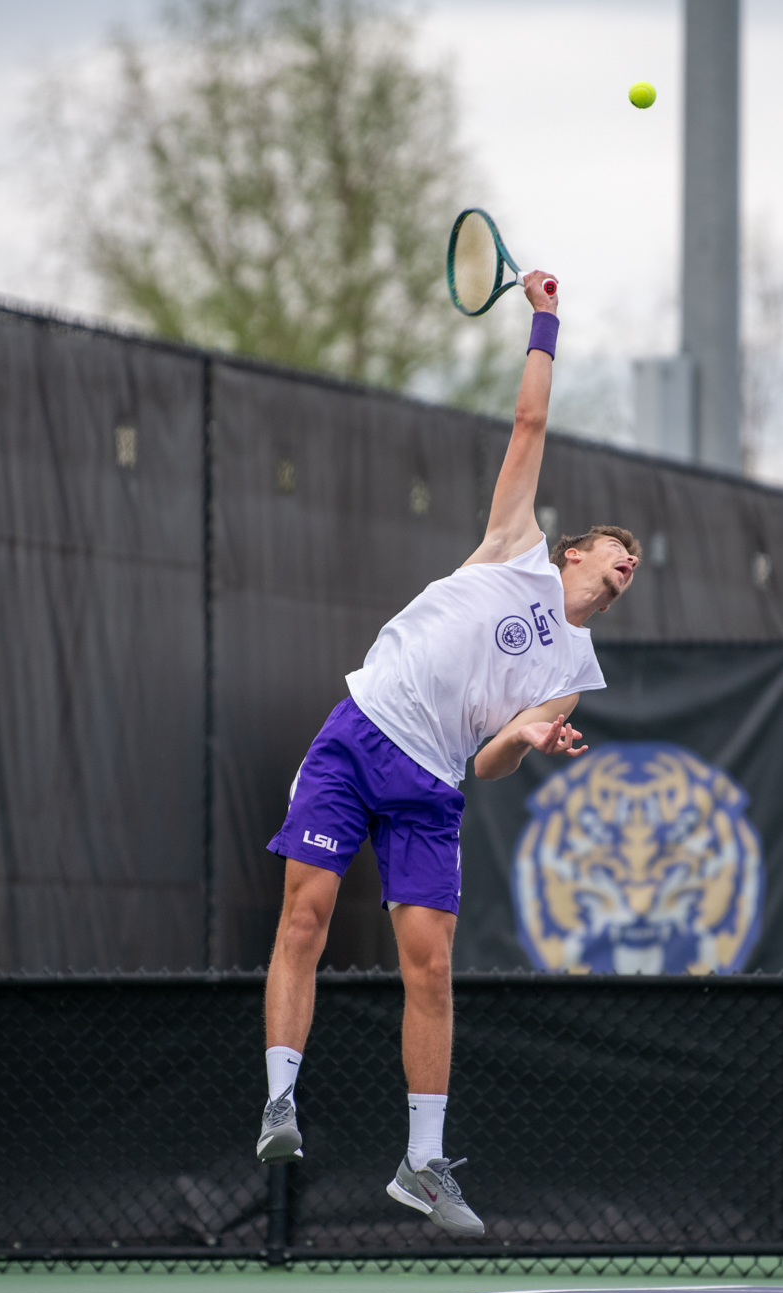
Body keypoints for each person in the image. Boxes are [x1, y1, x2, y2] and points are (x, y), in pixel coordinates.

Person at [253, 271, 640, 1238]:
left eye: (637, 567)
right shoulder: (515, 545)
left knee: (430, 969)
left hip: (431, 782)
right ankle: (278, 1101)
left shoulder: (575, 667)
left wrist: (524, 734)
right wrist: (547, 318)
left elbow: (491, 767)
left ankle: (422, 1163)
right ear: (576, 552)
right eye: (618, 553)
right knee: (305, 916)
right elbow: (528, 423)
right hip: (361, 730)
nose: (629, 567)